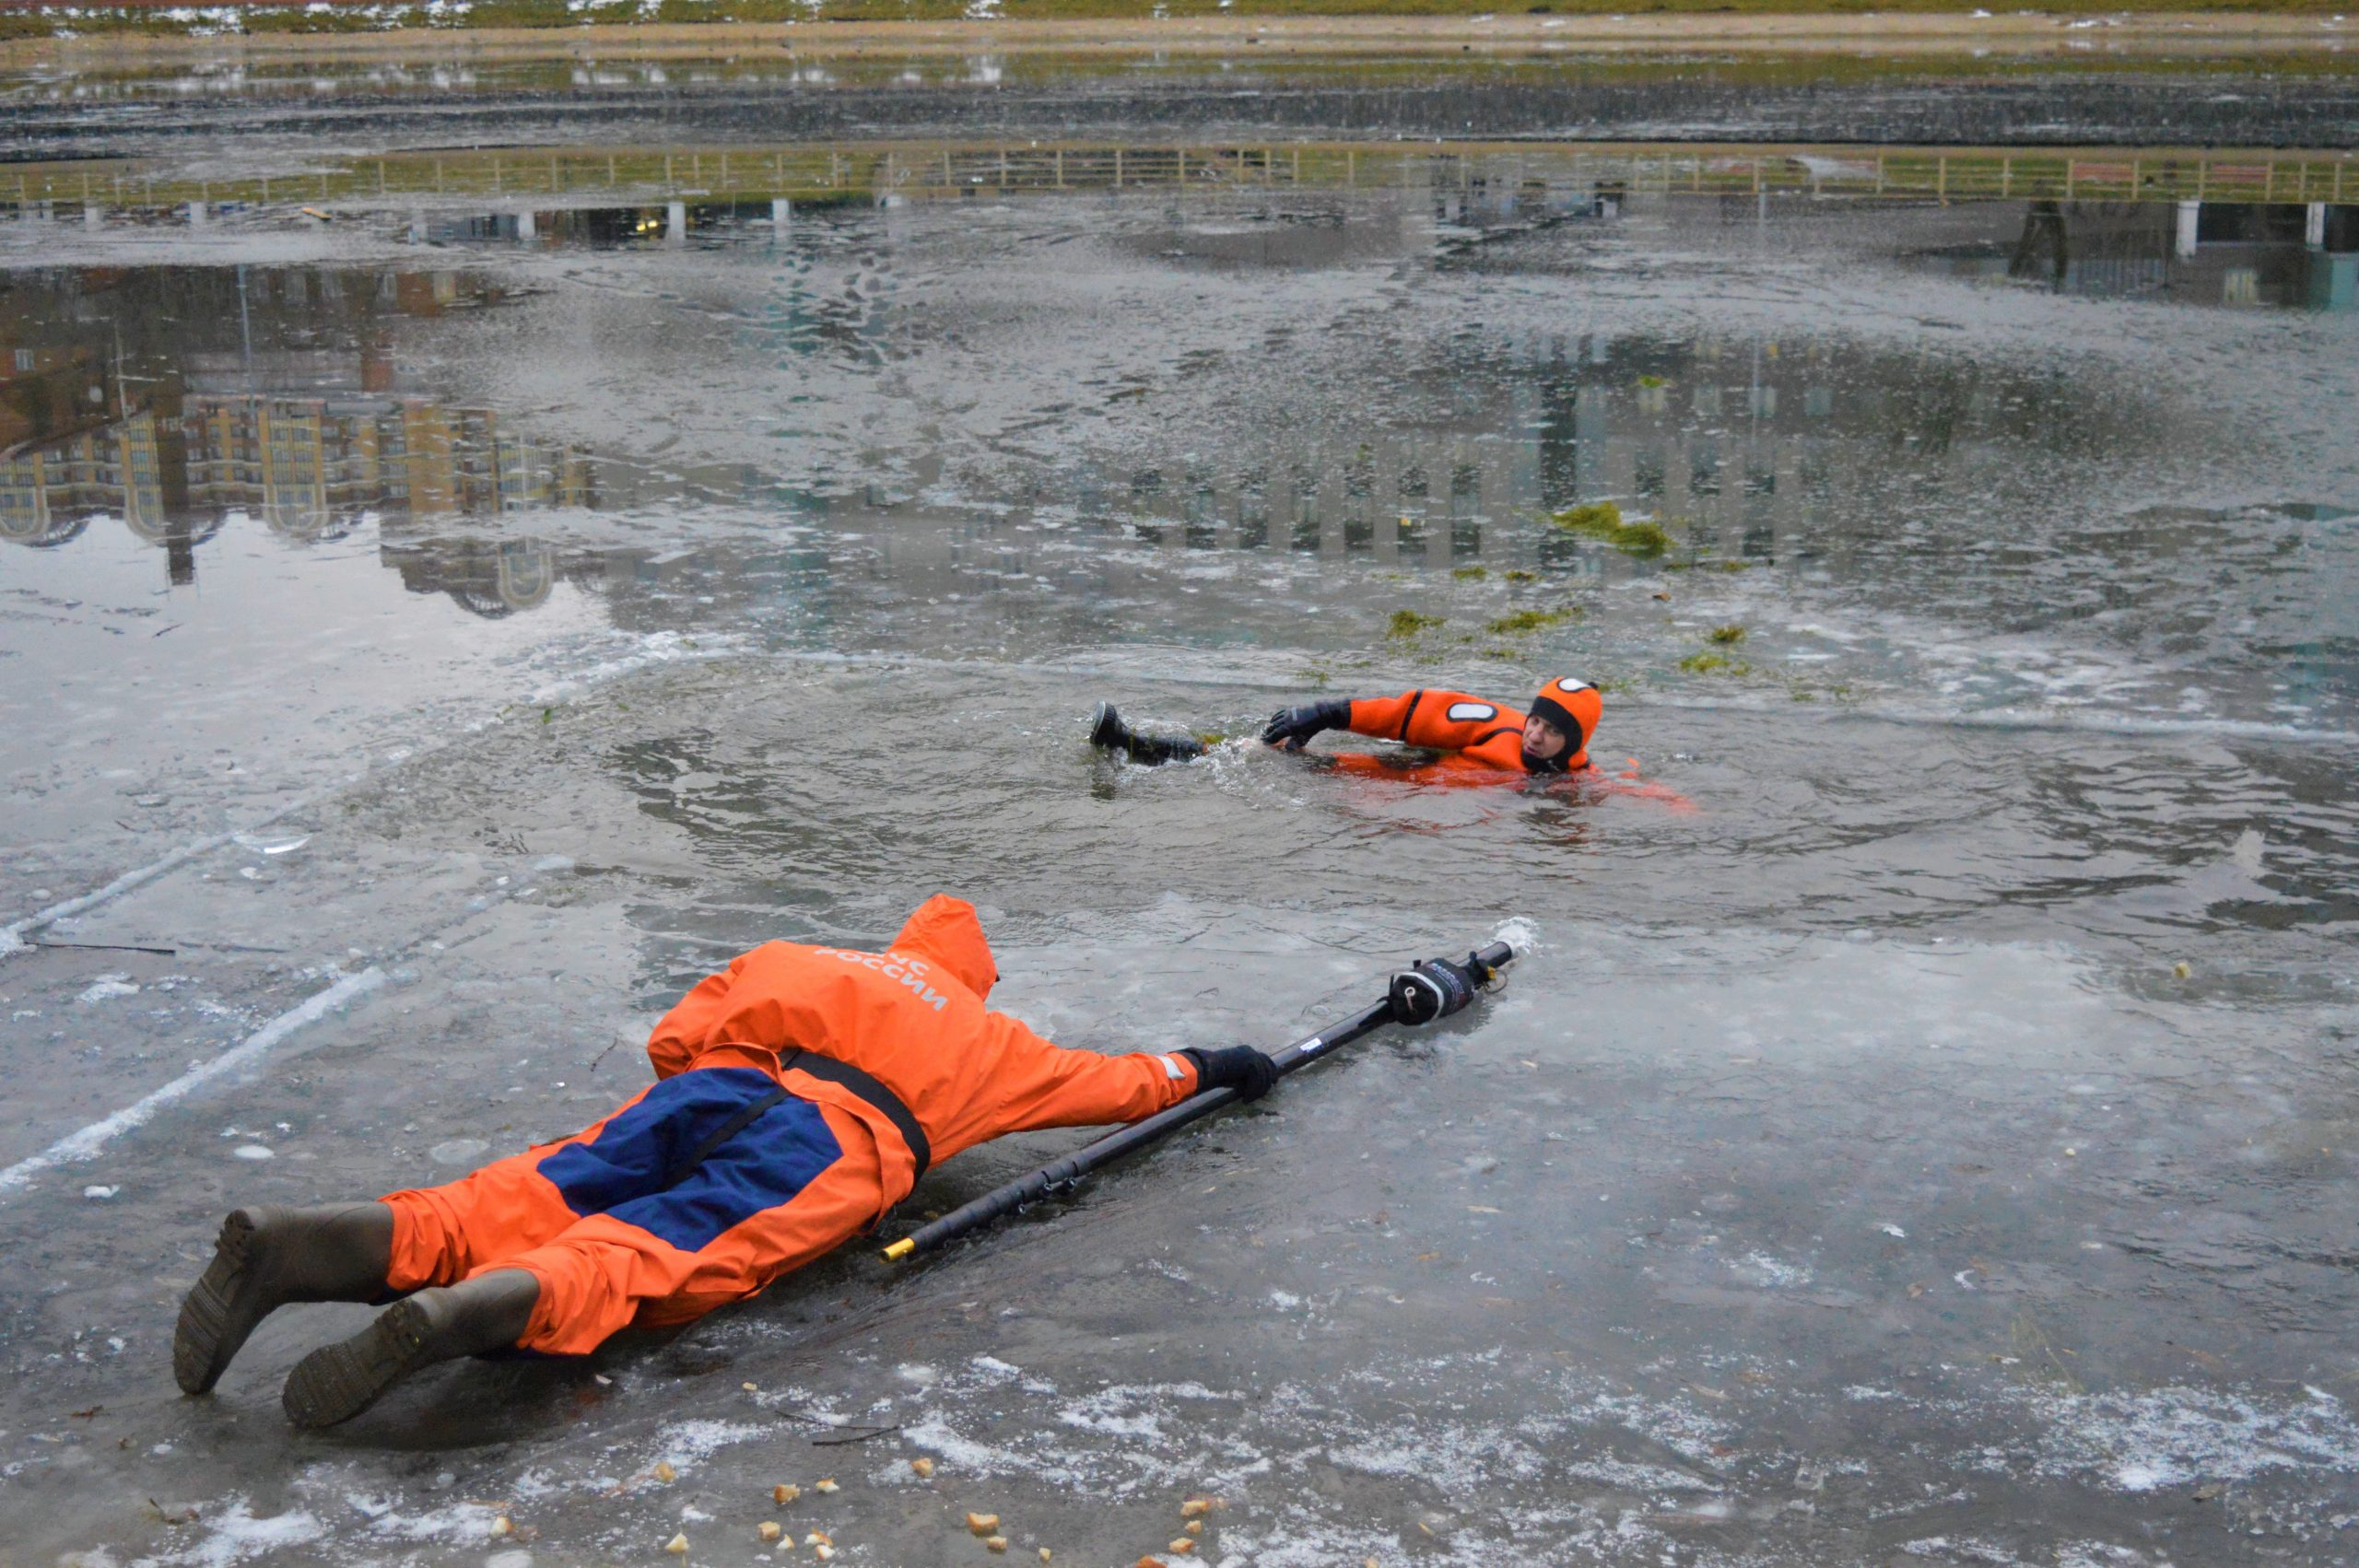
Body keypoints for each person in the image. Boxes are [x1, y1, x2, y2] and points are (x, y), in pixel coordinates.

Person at [173, 895, 1280, 1428]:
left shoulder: (818, 956)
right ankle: (481, 1311)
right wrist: (1220, 1061)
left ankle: (312, 1246)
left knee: (523, 1188)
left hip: (723, 1080)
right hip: (835, 1141)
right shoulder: (998, 1043)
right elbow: (1128, 1083)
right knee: (661, 1247)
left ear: (904, 942)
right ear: (974, 976)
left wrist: (694, 1084)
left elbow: (682, 1023)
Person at [1089, 676, 1605, 780]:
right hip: (1393, 775)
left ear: (1575, 742)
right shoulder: (1501, 729)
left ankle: (1135, 750)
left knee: (1277, 767)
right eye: (1535, 720)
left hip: (1398, 791)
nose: (1534, 734)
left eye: (1551, 731)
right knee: (1264, 754)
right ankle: (1132, 744)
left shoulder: (1580, 782)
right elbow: (1417, 713)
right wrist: (1330, 712)